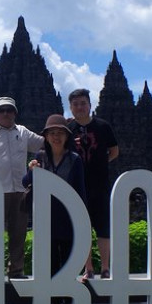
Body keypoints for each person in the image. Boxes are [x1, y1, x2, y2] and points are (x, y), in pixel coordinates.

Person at [0, 97, 44, 278]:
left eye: (9, 110)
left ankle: (16, 270)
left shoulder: (23, 132)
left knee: (19, 233)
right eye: (1, 110)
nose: (5, 113)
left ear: (15, 113)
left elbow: (45, 143)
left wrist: (65, 129)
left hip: (20, 190)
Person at [24, 114, 86, 304]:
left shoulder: (74, 160)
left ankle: (68, 301)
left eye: (60, 133)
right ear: (46, 136)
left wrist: (83, 221)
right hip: (46, 218)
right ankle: (51, 302)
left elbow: (80, 191)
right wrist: (32, 171)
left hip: (68, 218)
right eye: (52, 133)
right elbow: (26, 182)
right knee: (48, 262)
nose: (56, 137)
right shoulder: (40, 158)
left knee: (68, 261)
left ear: (67, 136)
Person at [67, 88, 119, 282]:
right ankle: (88, 268)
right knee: (83, 227)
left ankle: (105, 268)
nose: (80, 107)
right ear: (71, 107)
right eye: (75, 104)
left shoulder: (103, 126)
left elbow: (114, 151)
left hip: (100, 184)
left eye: (83, 103)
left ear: (90, 105)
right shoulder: (68, 129)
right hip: (77, 185)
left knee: (103, 227)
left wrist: (101, 164)